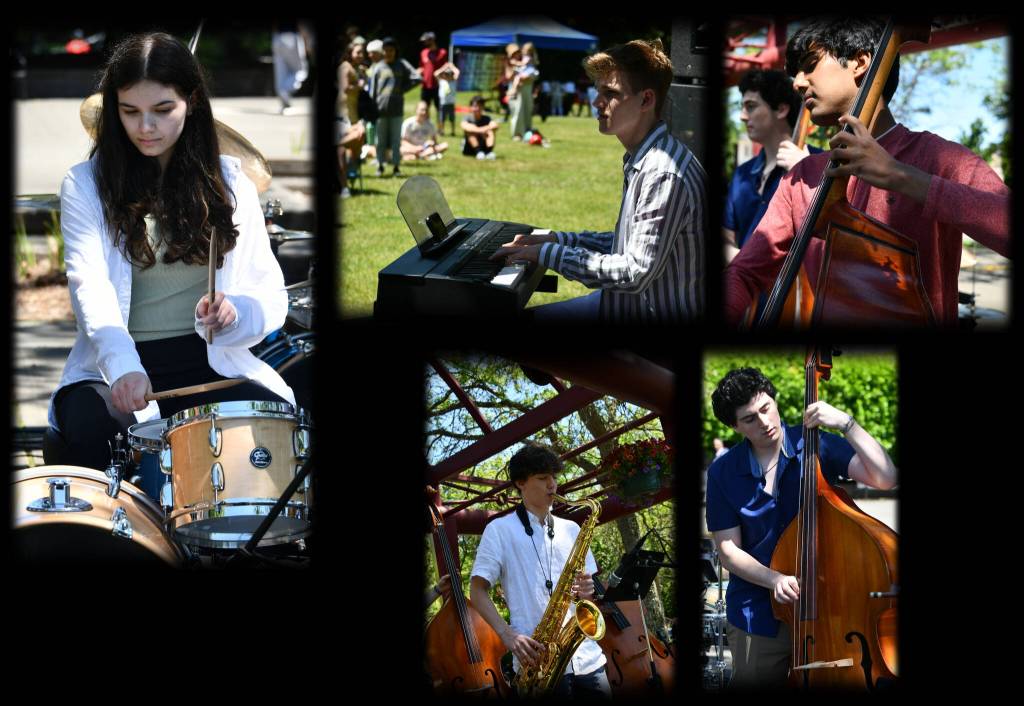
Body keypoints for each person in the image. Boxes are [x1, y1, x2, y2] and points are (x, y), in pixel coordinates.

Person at [50, 32, 294, 472]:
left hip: (212, 363)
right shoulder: (84, 184)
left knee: (275, 431)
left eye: (163, 110)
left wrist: (234, 313)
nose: (146, 127)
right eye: (130, 112)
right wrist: (124, 367)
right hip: (114, 368)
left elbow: (270, 295)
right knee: (93, 426)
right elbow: (91, 289)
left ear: (192, 101)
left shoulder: (231, 183)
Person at [724, 17, 1011, 327]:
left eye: (810, 65)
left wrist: (901, 176)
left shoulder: (940, 158)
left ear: (860, 63)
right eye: (795, 74)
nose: (797, 82)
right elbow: (745, 273)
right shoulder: (802, 175)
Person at [705, 367, 897, 688]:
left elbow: (886, 478)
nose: (765, 422)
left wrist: (847, 424)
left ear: (774, 401)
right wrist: (774, 579)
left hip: (832, 609)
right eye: (750, 418)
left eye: (766, 408)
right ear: (734, 426)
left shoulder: (816, 444)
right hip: (757, 613)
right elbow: (727, 549)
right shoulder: (722, 472)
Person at [491, 39, 707, 323]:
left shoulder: (663, 173)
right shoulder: (647, 157)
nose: (596, 101)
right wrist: (557, 239)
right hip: (623, 305)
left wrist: (545, 253)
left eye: (610, 92)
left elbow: (633, 272)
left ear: (646, 99)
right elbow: (627, 243)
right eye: (598, 90)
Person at [470, 444, 611, 699]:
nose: (553, 485)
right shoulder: (499, 530)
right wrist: (507, 634)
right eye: (543, 478)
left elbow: (586, 599)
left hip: (589, 660)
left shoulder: (572, 529)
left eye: (554, 477)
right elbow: (477, 590)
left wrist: (587, 592)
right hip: (539, 666)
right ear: (520, 483)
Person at [724, 69, 819, 262]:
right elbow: (726, 236)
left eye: (751, 106)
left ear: (781, 109)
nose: (742, 116)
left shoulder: (819, 162)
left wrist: (807, 170)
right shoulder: (742, 174)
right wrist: (745, 266)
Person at [368, 37, 421, 177]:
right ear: (382, 51)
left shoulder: (401, 64)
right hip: (380, 111)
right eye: (385, 50)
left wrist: (403, 89)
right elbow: (372, 90)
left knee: (395, 141)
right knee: (380, 141)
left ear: (395, 51)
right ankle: (380, 166)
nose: (388, 53)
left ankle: (396, 167)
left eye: (391, 50)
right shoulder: (378, 67)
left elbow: (417, 78)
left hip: (396, 110)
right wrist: (371, 108)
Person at [271, 23, 309, 115]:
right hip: (292, 36)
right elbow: (302, 25)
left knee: (281, 72)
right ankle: (286, 90)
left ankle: (283, 97)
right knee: (301, 70)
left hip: (277, 38)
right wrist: (306, 43)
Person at [507, 43, 540, 140]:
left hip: (527, 90)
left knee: (527, 111)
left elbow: (532, 74)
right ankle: (517, 134)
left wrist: (528, 76)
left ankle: (527, 131)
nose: (519, 54)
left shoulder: (529, 62)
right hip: (517, 92)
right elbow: (509, 77)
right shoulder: (511, 63)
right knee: (518, 111)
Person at [419, 31, 448, 123]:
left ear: (432, 40)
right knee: (424, 107)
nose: (424, 43)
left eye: (426, 41)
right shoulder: (423, 53)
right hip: (425, 86)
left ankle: (440, 128)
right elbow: (422, 67)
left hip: (437, 85)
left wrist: (440, 73)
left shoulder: (442, 53)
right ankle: (425, 124)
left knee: (439, 108)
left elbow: (447, 66)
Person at [461, 95, 499, 159]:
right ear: (471, 107)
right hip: (468, 148)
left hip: (483, 145)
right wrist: (481, 130)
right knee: (470, 132)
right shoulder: (467, 118)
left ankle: (489, 152)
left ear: (483, 107)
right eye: (475, 106)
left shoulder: (487, 118)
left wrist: (484, 129)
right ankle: (478, 152)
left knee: (490, 132)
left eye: (480, 106)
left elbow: (495, 125)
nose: (477, 108)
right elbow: (465, 126)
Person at [436, 61, 461, 136]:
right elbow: (436, 73)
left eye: (449, 74)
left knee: (452, 119)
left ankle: (453, 131)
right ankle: (442, 131)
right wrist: (444, 67)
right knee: (442, 118)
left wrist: (452, 66)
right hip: (443, 103)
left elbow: (458, 72)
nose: (448, 76)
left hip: (451, 103)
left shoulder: (454, 82)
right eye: (446, 74)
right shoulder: (442, 81)